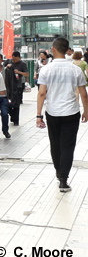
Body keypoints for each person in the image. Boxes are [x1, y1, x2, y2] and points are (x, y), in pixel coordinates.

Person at [36, 37, 88, 193]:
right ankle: (64, 180)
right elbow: (84, 94)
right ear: (67, 50)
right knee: (68, 146)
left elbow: (41, 93)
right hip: (72, 112)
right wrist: (86, 110)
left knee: (55, 144)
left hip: (52, 112)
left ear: (53, 49)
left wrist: (38, 115)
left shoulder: (46, 69)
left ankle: (59, 172)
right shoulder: (76, 69)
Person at [6, 51, 29, 125]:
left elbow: (27, 74)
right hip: (8, 85)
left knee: (16, 104)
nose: (14, 61)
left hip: (18, 86)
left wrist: (19, 72)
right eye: (13, 59)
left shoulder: (23, 64)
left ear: (20, 58)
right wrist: (7, 66)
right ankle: (13, 116)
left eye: (16, 60)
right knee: (7, 103)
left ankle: (16, 120)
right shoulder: (8, 62)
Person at [0, 53, 12, 139]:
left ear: (1, 60)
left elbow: (9, 83)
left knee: (4, 114)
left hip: (4, 96)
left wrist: (10, 95)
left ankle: (5, 130)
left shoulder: (6, 70)